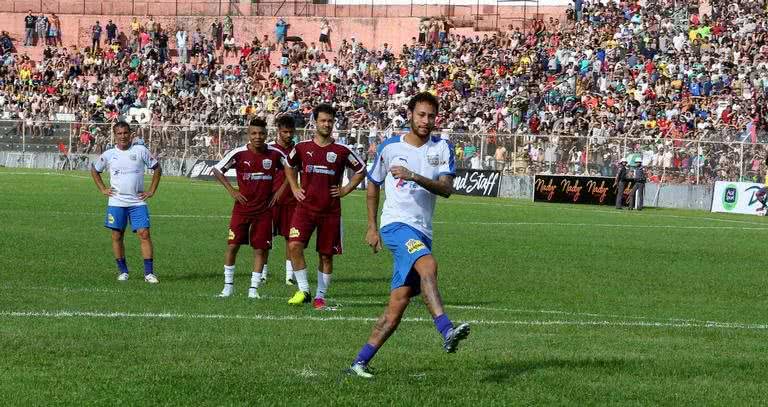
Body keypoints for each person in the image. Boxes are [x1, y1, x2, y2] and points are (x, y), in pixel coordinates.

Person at [346, 92, 470, 378]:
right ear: (410, 115)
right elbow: (374, 184)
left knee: (397, 305)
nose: (426, 121)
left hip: (422, 230)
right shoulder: (390, 147)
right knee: (428, 265)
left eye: (431, 116)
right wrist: (372, 226)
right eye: (421, 115)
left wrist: (414, 175)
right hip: (395, 225)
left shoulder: (442, 148)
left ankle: (359, 363)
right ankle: (446, 329)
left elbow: (446, 189)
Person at [283, 103, 366, 308]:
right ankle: (304, 290)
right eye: (323, 120)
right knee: (294, 245)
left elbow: (362, 169)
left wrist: (346, 189)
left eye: (330, 121)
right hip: (304, 209)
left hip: (330, 211)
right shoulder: (302, 148)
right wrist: (294, 187)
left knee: (326, 256)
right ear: (315, 122)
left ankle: (320, 296)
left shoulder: (341, 150)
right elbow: (288, 165)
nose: (327, 124)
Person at [212, 118, 289, 298]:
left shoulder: (275, 154)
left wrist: (279, 193)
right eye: (254, 133)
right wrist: (232, 191)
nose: (258, 137)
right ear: (248, 134)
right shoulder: (239, 154)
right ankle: (228, 287)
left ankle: (253, 289)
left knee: (260, 249)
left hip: (264, 210)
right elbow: (217, 170)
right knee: (233, 246)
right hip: (242, 209)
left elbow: (291, 169)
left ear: (266, 134)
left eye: (261, 133)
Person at [90, 121, 162, 283]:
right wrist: (102, 189)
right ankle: (123, 271)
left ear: (131, 134)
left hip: (137, 202)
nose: (123, 136)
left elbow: (157, 168)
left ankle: (149, 273)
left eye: (125, 133)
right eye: (119, 134)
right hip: (116, 202)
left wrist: (151, 191)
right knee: (117, 235)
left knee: (144, 234)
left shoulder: (140, 150)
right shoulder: (109, 154)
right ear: (115, 136)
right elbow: (95, 170)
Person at [266, 114, 298, 285]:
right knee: (265, 236)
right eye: (285, 132)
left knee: (290, 238)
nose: (288, 135)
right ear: (278, 131)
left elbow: (293, 173)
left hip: (292, 201)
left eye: (291, 132)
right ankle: (263, 273)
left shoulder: (298, 150)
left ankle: (289, 276)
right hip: (270, 200)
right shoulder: (269, 149)